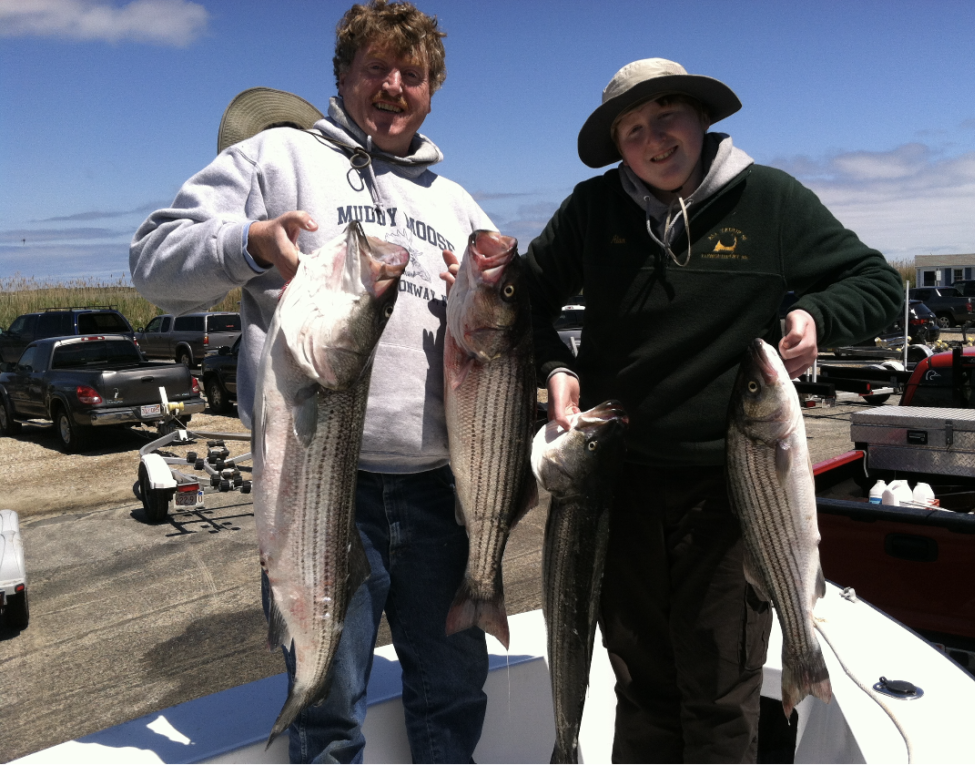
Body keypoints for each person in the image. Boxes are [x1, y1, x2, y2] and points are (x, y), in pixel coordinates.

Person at [130, 2, 492, 762]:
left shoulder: (453, 201)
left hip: (439, 493)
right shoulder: (276, 157)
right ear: (342, 76)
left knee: (453, 693)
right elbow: (154, 261)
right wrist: (249, 243)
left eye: (414, 74)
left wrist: (490, 294)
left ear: (433, 90)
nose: (395, 86)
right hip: (323, 489)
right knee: (328, 714)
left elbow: (505, 317)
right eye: (377, 68)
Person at [523, 58, 903, 763]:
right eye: (632, 129)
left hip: (734, 499)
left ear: (702, 117)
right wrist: (555, 365)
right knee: (641, 690)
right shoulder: (592, 211)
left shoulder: (771, 201)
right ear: (617, 144)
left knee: (720, 696)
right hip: (619, 491)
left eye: (666, 115)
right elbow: (526, 297)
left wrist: (817, 313)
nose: (653, 138)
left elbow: (877, 283)